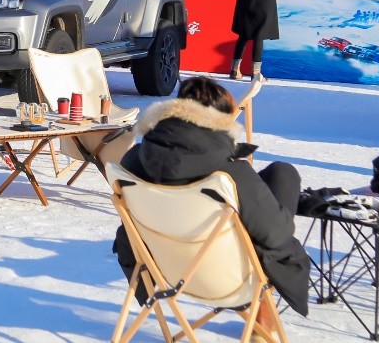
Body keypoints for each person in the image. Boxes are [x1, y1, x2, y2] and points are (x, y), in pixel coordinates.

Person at [112, 76, 310, 318]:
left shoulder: (132, 162)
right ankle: (262, 312)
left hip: (161, 269)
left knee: (266, 184)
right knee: (282, 174)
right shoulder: (228, 174)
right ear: (220, 122)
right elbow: (277, 233)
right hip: (227, 278)